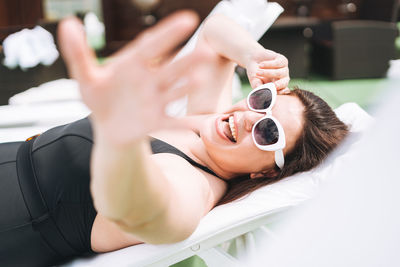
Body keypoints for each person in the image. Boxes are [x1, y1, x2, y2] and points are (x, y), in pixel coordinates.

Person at [0, 11, 348, 266]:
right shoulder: (205, 124)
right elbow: (215, 31)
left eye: (268, 131)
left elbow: (140, 210)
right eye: (263, 102)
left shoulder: (192, 186)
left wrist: (120, 143)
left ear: (266, 172)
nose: (247, 118)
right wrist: (255, 57)